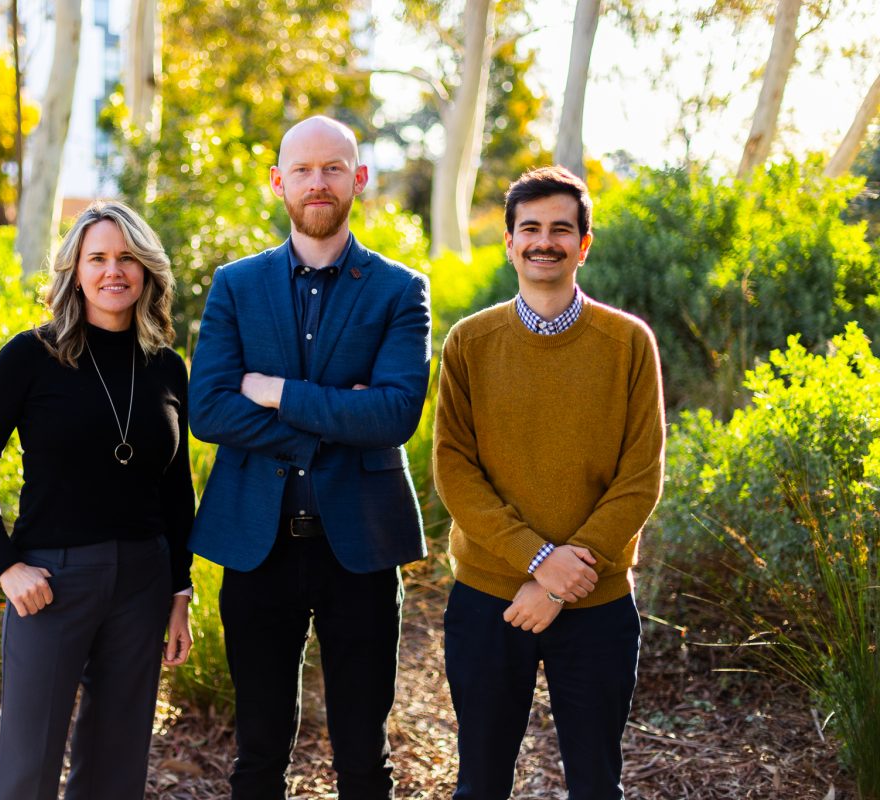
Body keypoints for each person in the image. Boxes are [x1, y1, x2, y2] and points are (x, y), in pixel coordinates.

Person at [187, 115, 432, 799]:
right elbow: (208, 410)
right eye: (302, 170)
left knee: (363, 755)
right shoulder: (236, 285)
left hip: (361, 546)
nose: (317, 182)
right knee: (259, 753)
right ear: (278, 183)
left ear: (358, 177)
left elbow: (393, 415)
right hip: (256, 547)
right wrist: (331, 417)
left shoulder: (398, 289)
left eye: (332, 168)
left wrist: (276, 393)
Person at [433, 165, 666, 800]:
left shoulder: (627, 344)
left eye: (561, 229)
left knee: (596, 785)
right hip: (490, 599)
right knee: (481, 784)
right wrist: (538, 562)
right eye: (529, 228)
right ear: (508, 242)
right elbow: (454, 468)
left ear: (583, 244)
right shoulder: (469, 343)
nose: (544, 241)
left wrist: (564, 580)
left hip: (597, 603)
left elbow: (641, 476)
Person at [0, 200, 194, 799]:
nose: (114, 271)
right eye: (98, 258)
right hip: (51, 582)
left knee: (116, 769)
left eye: (128, 258)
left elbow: (176, 485)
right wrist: (7, 566)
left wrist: (179, 591)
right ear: (75, 271)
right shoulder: (30, 355)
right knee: (26, 769)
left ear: (147, 271)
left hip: (143, 579)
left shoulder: (166, 366)